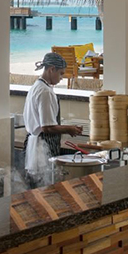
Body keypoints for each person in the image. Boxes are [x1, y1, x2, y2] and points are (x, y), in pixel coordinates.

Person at [22, 52, 83, 184]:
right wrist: (69, 129)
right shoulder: (45, 92)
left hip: (34, 142)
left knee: (35, 186)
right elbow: (47, 127)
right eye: (61, 73)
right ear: (51, 69)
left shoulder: (36, 86)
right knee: (45, 186)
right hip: (43, 145)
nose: (61, 78)